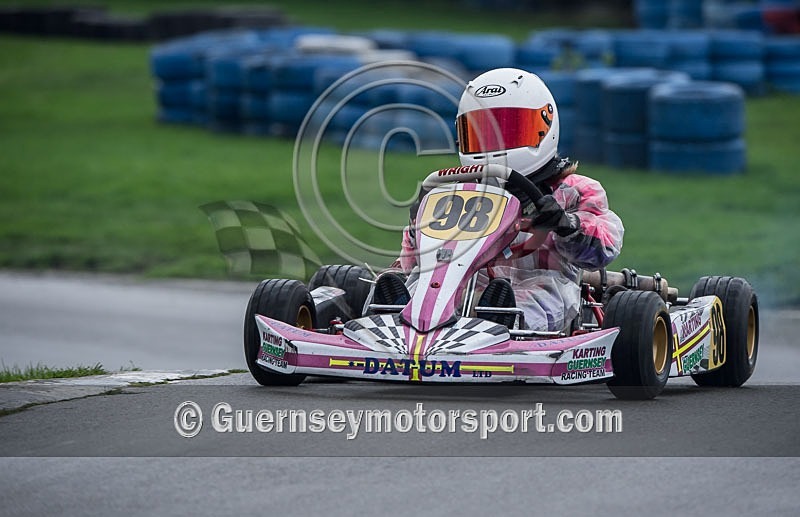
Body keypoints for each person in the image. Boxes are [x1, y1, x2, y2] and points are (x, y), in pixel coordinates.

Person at [388, 67, 624, 332]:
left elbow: (605, 247)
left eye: (510, 130)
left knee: (534, 298)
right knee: (422, 283)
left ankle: (501, 323)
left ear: (543, 128)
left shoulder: (573, 190)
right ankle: (392, 311)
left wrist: (566, 224)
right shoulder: (458, 193)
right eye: (481, 132)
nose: (493, 145)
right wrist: (418, 229)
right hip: (464, 285)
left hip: (537, 284)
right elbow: (412, 262)